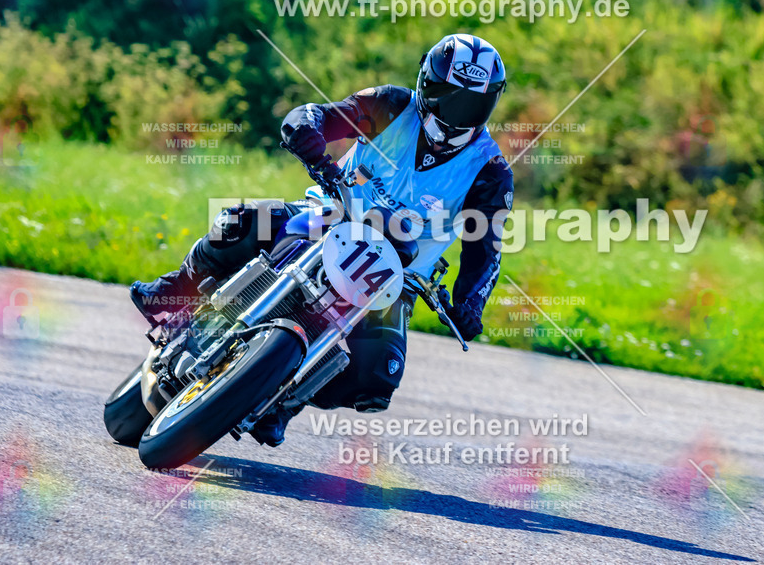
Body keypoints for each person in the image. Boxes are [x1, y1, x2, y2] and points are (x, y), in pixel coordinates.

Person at [130, 34, 514, 446]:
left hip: (395, 277)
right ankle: (176, 292)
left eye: (472, 103)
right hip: (330, 216)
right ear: (426, 83)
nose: (456, 113)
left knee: (377, 378)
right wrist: (307, 134)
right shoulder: (390, 105)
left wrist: (470, 303)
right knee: (240, 222)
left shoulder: (490, 172)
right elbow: (319, 115)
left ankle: (284, 401)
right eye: (447, 96)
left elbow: (485, 249)